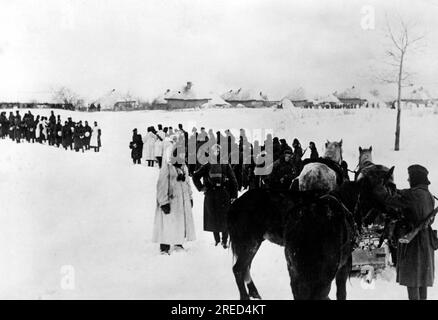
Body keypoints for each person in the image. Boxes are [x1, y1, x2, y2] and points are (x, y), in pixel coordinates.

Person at [385, 165, 435, 300]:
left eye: (410, 177)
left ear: (415, 178)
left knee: (412, 281)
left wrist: (382, 188)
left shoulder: (413, 195)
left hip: (414, 244)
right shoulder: (429, 196)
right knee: (422, 280)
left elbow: (390, 201)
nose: (408, 179)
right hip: (426, 241)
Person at [192, 144, 238, 248]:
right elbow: (195, 176)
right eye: (215, 152)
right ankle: (217, 241)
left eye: (218, 152)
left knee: (225, 218)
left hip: (224, 194)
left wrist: (234, 196)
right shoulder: (207, 165)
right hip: (211, 195)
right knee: (213, 218)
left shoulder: (225, 165)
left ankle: (224, 241)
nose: (217, 154)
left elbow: (233, 181)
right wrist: (201, 187)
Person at [153, 150, 196, 255]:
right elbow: (161, 186)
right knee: (167, 224)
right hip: (170, 201)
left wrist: (190, 197)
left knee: (180, 223)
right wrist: (163, 202)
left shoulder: (184, 168)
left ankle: (178, 243)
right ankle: (164, 247)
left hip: (182, 202)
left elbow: (187, 184)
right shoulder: (167, 167)